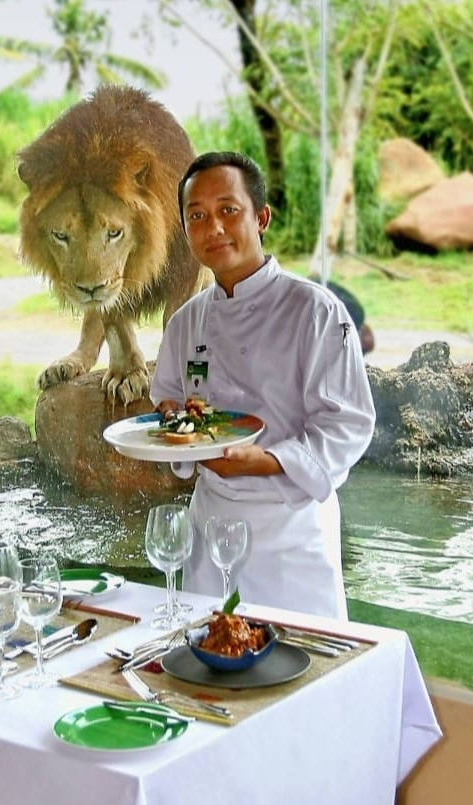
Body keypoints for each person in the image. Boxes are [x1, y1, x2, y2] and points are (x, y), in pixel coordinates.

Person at [150, 151, 376, 619]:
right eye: (197, 216)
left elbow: (348, 425)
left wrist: (267, 460)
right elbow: (168, 396)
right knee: (208, 665)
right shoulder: (185, 321)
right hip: (209, 526)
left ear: (262, 217)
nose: (213, 227)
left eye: (228, 210)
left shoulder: (316, 312)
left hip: (290, 535)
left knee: (305, 669)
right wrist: (174, 419)